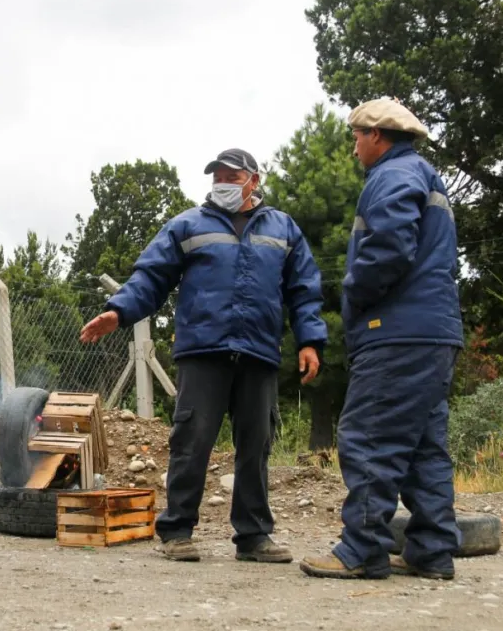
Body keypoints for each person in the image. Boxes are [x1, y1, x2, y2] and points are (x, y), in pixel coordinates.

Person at [80, 148, 327, 563]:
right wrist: (119, 310)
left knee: (256, 444)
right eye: (219, 177)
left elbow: (304, 288)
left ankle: (253, 537)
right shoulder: (187, 225)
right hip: (203, 351)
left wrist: (310, 341)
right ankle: (177, 531)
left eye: (233, 176)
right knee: (190, 441)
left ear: (254, 181)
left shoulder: (284, 229)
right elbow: (151, 276)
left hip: (258, 351)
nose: (224, 184)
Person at [298, 98, 464, 580]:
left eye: (356, 138)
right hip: (434, 332)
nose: (353, 149)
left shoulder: (392, 175)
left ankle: (362, 549)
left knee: (368, 435)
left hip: (398, 333)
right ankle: (432, 551)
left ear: (377, 135)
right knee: (421, 446)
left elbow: (389, 245)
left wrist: (355, 294)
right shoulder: (425, 174)